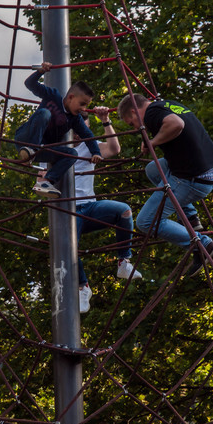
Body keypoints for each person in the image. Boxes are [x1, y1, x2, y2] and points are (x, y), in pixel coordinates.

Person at [117, 94, 213, 276]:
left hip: (194, 179)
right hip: (209, 167)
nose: (135, 128)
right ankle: (190, 218)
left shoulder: (151, 115)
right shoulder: (167, 104)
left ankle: (203, 244)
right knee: (153, 169)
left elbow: (177, 124)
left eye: (131, 123)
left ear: (134, 111)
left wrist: (152, 142)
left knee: (146, 221)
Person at [72, 110, 142, 313]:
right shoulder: (54, 149)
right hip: (67, 210)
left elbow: (114, 148)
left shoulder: (89, 147)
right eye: (75, 130)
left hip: (89, 206)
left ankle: (123, 262)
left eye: (82, 130)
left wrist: (105, 121)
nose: (78, 134)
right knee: (70, 247)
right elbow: (41, 178)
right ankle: (82, 287)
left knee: (124, 211)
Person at [14, 62, 102, 198]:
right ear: (71, 97)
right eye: (82, 104)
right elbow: (29, 84)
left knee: (72, 153)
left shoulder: (75, 119)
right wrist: (40, 71)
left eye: (86, 105)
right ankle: (31, 150)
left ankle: (45, 182)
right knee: (44, 113)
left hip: (42, 150)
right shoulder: (53, 96)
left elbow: (88, 135)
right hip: (25, 138)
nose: (84, 109)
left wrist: (96, 152)